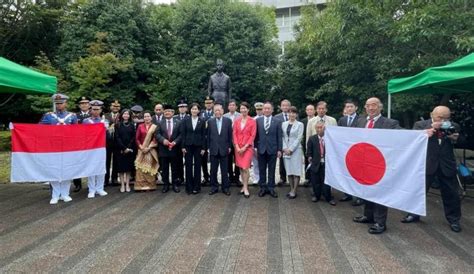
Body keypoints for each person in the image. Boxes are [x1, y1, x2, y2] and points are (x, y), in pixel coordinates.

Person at [401, 106, 463, 233]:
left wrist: (455, 138)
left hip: (446, 164)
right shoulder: (420, 124)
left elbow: (463, 141)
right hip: (427, 162)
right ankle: (413, 213)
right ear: (432, 115)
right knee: (419, 190)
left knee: (451, 193)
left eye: (446, 118)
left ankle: (454, 220)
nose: (443, 120)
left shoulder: (453, 126)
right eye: (440, 117)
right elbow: (413, 139)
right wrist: (429, 130)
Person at [352, 97, 401, 234]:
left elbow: (404, 135)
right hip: (364, 163)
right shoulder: (360, 121)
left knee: (380, 193)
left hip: (380, 164)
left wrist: (423, 134)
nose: (371, 108)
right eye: (368, 105)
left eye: (374, 105)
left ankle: (380, 222)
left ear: (380, 107)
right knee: (367, 190)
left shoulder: (390, 123)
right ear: (365, 107)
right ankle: (368, 215)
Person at [39, 93, 78, 204]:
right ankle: (55, 195)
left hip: (68, 147)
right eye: (56, 103)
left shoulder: (72, 116)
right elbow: (38, 129)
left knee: (67, 170)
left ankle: (65, 194)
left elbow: (77, 132)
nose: (58, 105)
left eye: (61, 103)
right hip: (53, 147)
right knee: (53, 170)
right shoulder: (48, 116)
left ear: (66, 103)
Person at [337, 99, 363, 205]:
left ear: (356, 108)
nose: (349, 108)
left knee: (357, 175)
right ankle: (347, 194)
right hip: (345, 152)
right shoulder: (342, 120)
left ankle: (359, 197)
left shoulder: (362, 120)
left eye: (351, 106)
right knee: (346, 173)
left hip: (358, 152)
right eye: (347, 107)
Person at [255, 102, 282, 198]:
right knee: (262, 169)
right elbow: (256, 136)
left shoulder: (277, 121)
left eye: (268, 108)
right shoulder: (258, 121)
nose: (266, 110)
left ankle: (271, 188)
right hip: (261, 149)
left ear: (272, 110)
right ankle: (262, 188)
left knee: (272, 169)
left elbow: (279, 136)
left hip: (273, 149)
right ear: (262, 110)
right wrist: (255, 148)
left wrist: (279, 149)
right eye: (265, 108)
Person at [83, 100, 109, 198]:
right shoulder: (86, 121)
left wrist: (106, 129)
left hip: (101, 147)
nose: (96, 111)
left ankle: (100, 188)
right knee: (91, 168)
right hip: (90, 148)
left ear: (101, 110)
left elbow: (108, 136)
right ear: (90, 109)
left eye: (98, 109)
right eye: (94, 109)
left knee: (101, 167)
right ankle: (91, 189)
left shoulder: (104, 121)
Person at [307, 121, 336, 205]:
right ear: (315, 128)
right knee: (315, 181)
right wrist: (309, 157)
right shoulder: (312, 138)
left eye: (321, 127)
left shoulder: (329, 138)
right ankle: (316, 196)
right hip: (316, 163)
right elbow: (309, 151)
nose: (319, 129)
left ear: (324, 128)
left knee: (326, 181)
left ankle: (328, 197)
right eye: (317, 127)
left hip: (327, 164)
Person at [207, 103, 233, 196]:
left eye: (219, 110)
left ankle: (225, 188)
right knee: (213, 170)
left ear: (222, 111)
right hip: (213, 149)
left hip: (224, 149)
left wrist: (229, 146)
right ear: (214, 112)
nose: (217, 112)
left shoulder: (228, 121)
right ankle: (214, 187)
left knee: (224, 170)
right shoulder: (210, 121)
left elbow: (230, 135)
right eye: (215, 111)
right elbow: (208, 136)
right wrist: (208, 147)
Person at [181, 103, 206, 194]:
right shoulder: (185, 120)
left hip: (198, 146)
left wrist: (203, 148)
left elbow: (204, 135)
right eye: (193, 109)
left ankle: (197, 187)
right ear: (190, 110)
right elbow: (183, 134)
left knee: (197, 166)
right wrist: (183, 146)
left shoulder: (202, 121)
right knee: (188, 166)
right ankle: (189, 187)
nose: (194, 110)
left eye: (196, 109)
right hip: (188, 146)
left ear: (199, 111)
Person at [156, 104, 182, 193]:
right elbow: (157, 134)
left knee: (175, 168)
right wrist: (163, 140)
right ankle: (165, 184)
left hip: (175, 149)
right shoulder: (160, 123)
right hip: (164, 149)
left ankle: (175, 184)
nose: (167, 113)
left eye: (169, 111)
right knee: (164, 168)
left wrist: (175, 142)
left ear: (173, 112)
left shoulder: (178, 122)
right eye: (166, 111)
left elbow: (181, 134)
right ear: (163, 112)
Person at [232, 102, 257, 198]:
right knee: (241, 168)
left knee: (246, 168)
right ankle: (243, 185)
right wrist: (237, 146)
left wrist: (245, 147)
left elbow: (253, 135)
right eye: (242, 108)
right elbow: (234, 134)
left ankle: (246, 188)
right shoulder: (237, 121)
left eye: (245, 108)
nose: (243, 110)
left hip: (247, 148)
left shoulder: (252, 121)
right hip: (238, 148)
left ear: (248, 109)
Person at [282, 106, 304, 199]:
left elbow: (299, 138)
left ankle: (294, 190)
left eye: (293, 113)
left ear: (296, 114)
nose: (291, 114)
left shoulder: (300, 124)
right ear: (288, 114)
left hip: (296, 150)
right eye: (290, 113)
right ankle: (291, 188)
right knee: (289, 170)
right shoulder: (283, 124)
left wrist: (291, 149)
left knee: (296, 171)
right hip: (286, 150)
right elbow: (282, 137)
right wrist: (285, 148)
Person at [134, 111, 159, 191]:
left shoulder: (155, 127)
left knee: (149, 167)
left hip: (150, 150)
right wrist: (141, 147)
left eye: (148, 116)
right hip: (141, 150)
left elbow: (156, 138)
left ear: (151, 118)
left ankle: (150, 185)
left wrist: (149, 147)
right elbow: (137, 138)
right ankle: (140, 186)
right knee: (140, 168)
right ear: (143, 118)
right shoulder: (140, 126)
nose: (146, 118)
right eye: (145, 116)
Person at [114, 109, 136, 193]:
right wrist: (123, 148)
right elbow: (117, 137)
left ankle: (127, 185)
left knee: (128, 169)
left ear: (130, 115)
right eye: (124, 114)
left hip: (129, 150)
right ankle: (122, 185)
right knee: (121, 169)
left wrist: (128, 148)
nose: (126, 115)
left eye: (127, 114)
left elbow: (133, 137)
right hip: (120, 150)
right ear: (122, 115)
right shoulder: (117, 125)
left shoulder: (132, 125)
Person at [73, 96, 91, 192]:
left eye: (86, 103)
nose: (84, 105)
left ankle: (90, 183)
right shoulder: (74, 116)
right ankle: (77, 184)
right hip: (78, 143)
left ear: (89, 105)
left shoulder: (94, 115)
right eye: (82, 103)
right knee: (77, 163)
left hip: (91, 143)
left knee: (91, 162)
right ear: (79, 105)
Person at [103, 100, 121, 187]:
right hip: (107, 142)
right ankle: (106, 179)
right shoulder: (105, 116)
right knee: (106, 161)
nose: (115, 108)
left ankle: (114, 178)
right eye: (113, 106)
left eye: (117, 106)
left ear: (119, 108)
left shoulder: (122, 116)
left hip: (117, 142)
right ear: (110, 107)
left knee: (116, 161)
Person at [224, 99, 241, 185]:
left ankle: (237, 177)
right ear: (228, 107)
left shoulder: (240, 116)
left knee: (238, 160)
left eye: (233, 105)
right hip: (228, 141)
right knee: (228, 160)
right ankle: (230, 176)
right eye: (230, 105)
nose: (232, 106)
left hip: (238, 141)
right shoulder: (224, 116)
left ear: (236, 107)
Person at [274, 99, 291, 186]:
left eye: (287, 105)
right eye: (283, 105)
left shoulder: (294, 115)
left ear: (289, 106)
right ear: (280, 107)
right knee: (282, 161)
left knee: (292, 160)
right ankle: (282, 178)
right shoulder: (276, 117)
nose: (285, 107)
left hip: (291, 141)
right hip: (281, 141)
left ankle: (292, 178)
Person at [173, 98, 189, 186]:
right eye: (180, 107)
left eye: (184, 107)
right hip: (177, 144)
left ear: (186, 108)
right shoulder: (174, 118)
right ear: (178, 108)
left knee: (188, 162)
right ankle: (180, 178)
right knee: (178, 162)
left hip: (187, 143)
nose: (182, 108)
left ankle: (188, 178)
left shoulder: (190, 117)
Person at [200, 96, 214, 185]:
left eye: (210, 103)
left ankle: (213, 177)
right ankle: (206, 177)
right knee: (203, 160)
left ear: (213, 103)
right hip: (204, 140)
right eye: (206, 103)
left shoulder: (216, 112)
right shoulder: (201, 113)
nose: (208, 104)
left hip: (213, 139)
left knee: (214, 160)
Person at [301, 103, 315, 187]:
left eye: (311, 109)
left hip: (315, 144)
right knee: (307, 161)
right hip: (306, 144)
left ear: (314, 111)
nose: (309, 111)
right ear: (306, 111)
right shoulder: (303, 121)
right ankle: (307, 178)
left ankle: (314, 179)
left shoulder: (317, 120)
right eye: (308, 110)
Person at [251, 102, 264, 185]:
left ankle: (263, 178)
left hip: (263, 144)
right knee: (255, 162)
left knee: (263, 162)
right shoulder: (253, 120)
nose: (259, 111)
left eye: (260, 110)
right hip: (254, 143)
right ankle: (256, 178)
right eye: (257, 110)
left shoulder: (266, 118)